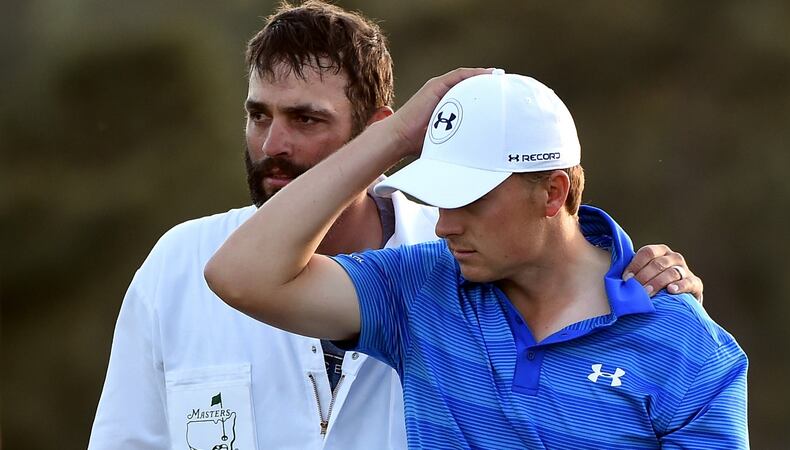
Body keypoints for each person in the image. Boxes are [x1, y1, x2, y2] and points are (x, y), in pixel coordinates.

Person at [89, 2, 704, 449]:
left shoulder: (447, 276)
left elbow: (569, 274)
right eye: (258, 115)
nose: (271, 144)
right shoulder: (178, 263)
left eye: (306, 120)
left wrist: (660, 308)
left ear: (376, 130)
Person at [205, 68, 748, 449]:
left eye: (470, 200)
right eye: (441, 198)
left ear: (553, 193)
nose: (444, 224)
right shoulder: (418, 286)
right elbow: (240, 276)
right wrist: (392, 135)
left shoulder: (690, 351)